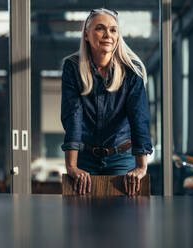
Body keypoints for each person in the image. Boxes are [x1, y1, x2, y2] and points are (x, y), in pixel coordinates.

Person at [61, 8, 152, 196]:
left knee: (123, 220)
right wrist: (71, 166)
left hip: (121, 158)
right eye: (100, 29)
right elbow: (73, 116)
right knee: (80, 219)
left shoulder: (132, 72)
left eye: (113, 30)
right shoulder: (73, 68)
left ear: (118, 36)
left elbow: (139, 118)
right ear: (86, 35)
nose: (107, 35)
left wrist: (141, 167)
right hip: (85, 158)